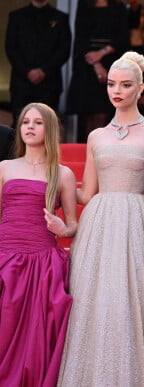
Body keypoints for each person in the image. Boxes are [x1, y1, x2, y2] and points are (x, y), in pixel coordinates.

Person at [57, 51, 144, 386]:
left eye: (126, 85)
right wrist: (50, 182)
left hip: (139, 222)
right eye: (113, 84)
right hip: (99, 223)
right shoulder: (96, 136)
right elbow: (87, 193)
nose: (117, 90)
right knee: (98, 298)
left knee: (137, 298)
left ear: (140, 88)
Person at [0, 102, 77, 385]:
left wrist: (63, 227)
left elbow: (73, 224)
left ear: (50, 128)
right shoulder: (4, 168)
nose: (30, 127)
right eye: (25, 122)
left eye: (37, 122)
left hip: (41, 265)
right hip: (5, 260)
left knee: (34, 338)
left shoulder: (63, 173)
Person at [67, 0, 129, 142]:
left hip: (112, 65)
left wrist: (101, 53)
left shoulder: (119, 7)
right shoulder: (84, 5)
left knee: (106, 114)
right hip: (87, 67)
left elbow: (123, 39)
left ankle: (104, 155)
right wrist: (96, 64)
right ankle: (87, 157)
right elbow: (80, 38)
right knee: (87, 116)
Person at [5, 0, 71, 125]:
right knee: (20, 124)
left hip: (49, 84)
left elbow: (64, 50)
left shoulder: (60, 18)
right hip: (21, 83)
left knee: (46, 125)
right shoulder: (16, 16)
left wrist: (44, 71)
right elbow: (11, 48)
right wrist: (27, 72)